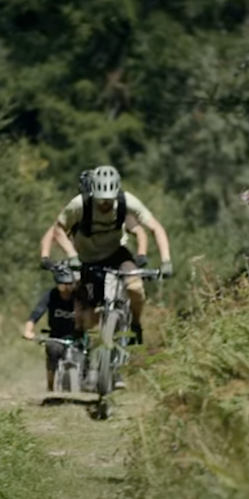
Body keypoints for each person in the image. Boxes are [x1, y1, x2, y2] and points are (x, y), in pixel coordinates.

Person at [45, 165, 173, 388]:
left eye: (109, 201)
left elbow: (155, 228)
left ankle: (135, 325)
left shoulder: (127, 201)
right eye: (101, 201)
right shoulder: (79, 204)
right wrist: (71, 255)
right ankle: (89, 358)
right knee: (87, 315)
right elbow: (58, 229)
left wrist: (166, 260)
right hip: (86, 259)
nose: (105, 205)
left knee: (135, 287)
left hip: (116, 254)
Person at [22, 262, 79, 392]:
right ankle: (50, 387)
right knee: (53, 350)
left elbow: (91, 312)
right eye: (62, 285)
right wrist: (28, 330)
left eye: (69, 284)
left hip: (77, 336)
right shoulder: (50, 295)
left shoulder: (79, 297)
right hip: (56, 336)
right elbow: (36, 313)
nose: (66, 289)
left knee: (89, 355)